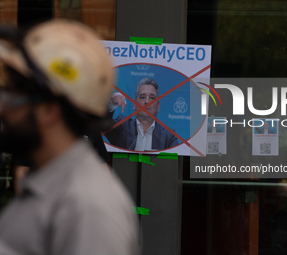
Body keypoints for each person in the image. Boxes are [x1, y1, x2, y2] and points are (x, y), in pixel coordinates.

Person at [0, 20, 138, 255]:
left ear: (49, 110)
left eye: (12, 96)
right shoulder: (51, 187)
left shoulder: (88, 208)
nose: (4, 109)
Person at [105, 77, 178, 151]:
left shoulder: (169, 137)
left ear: (158, 106)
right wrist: (111, 102)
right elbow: (102, 122)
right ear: (134, 104)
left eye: (152, 98)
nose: (147, 101)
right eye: (142, 97)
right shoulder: (122, 126)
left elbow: (172, 161)